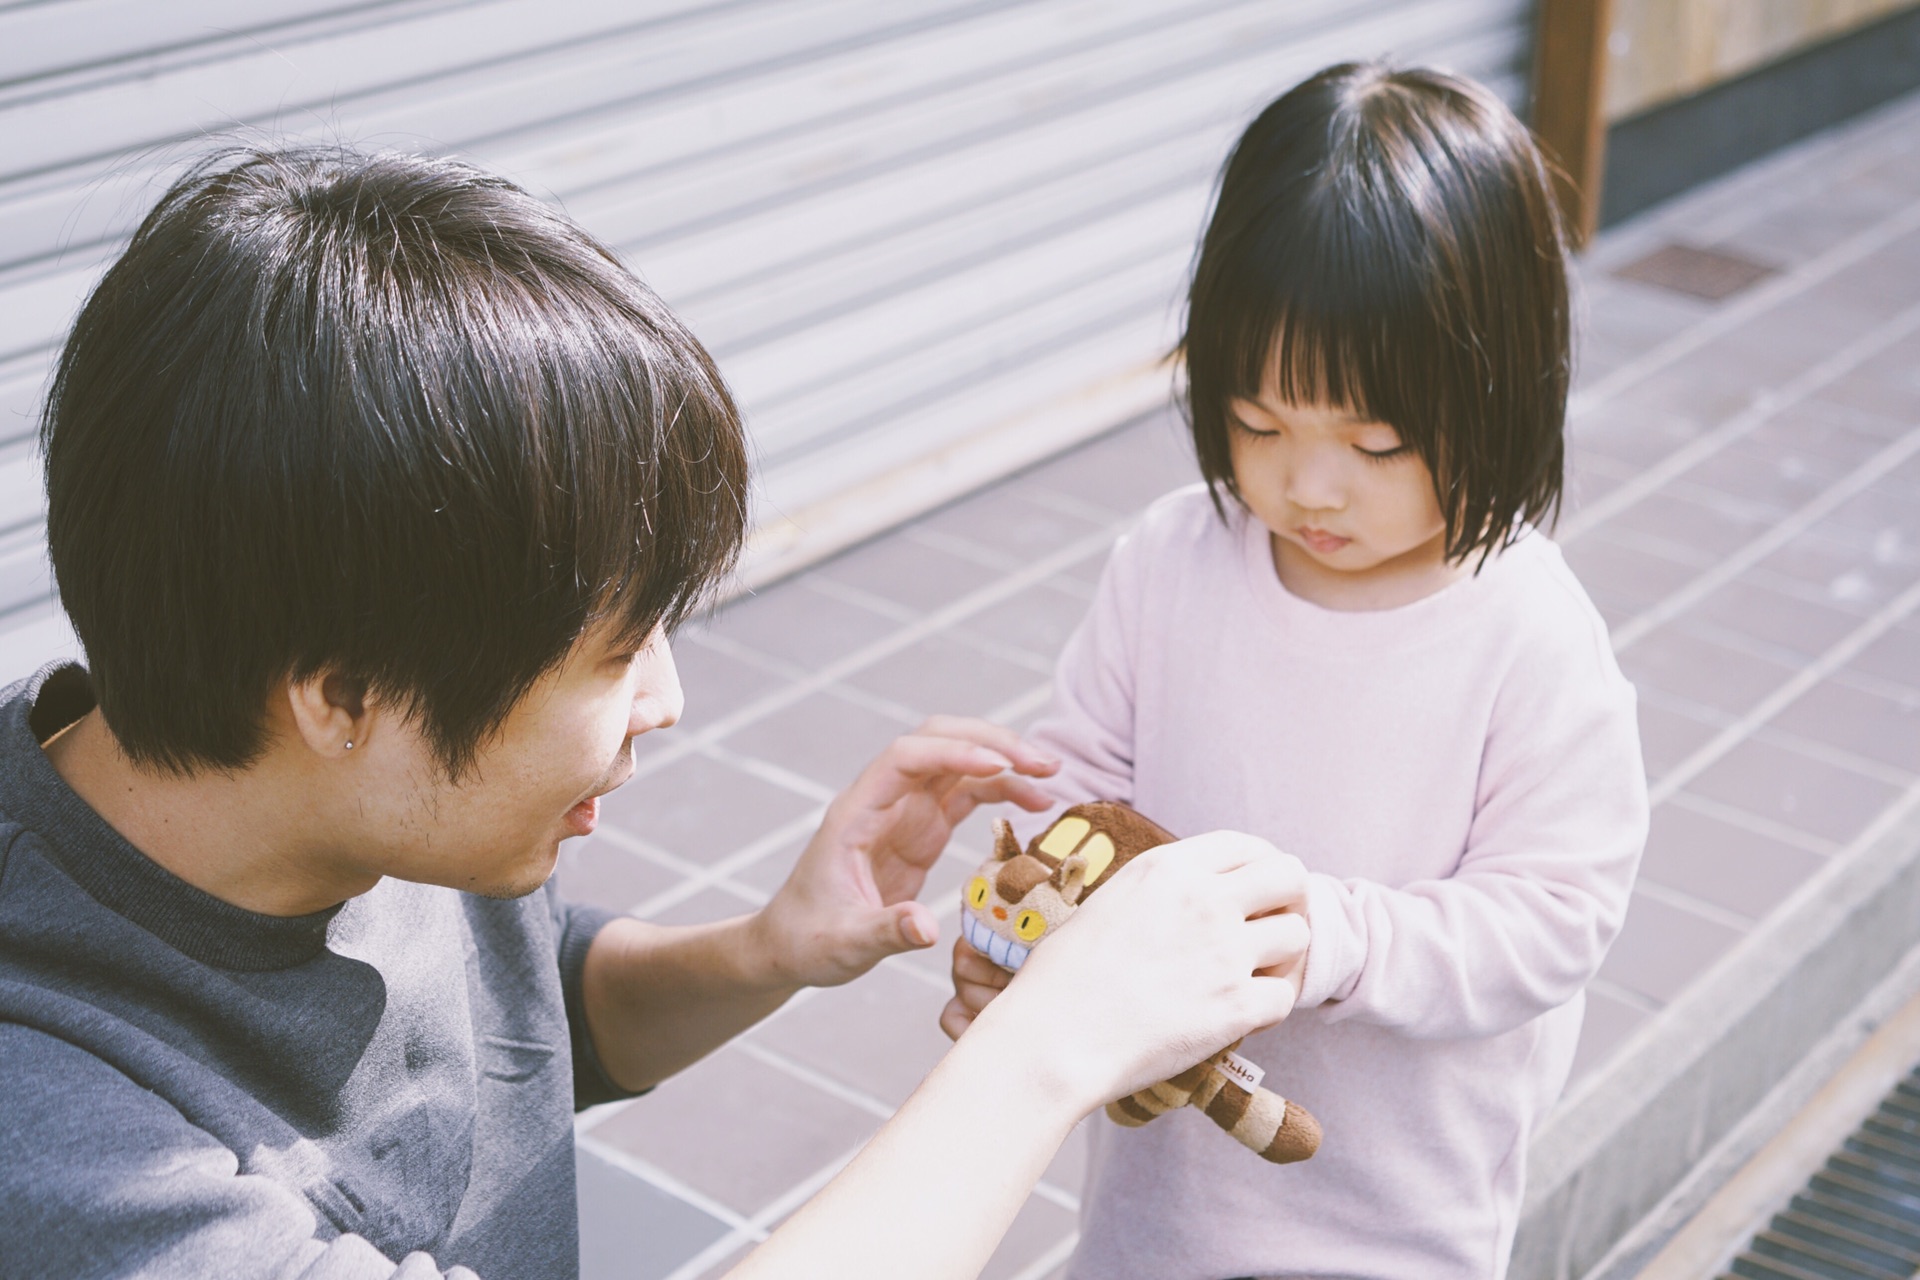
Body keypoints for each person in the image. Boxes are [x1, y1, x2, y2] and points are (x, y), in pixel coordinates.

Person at [0, 146, 1313, 1280]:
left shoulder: (331, 792)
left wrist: (769, 949)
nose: (668, 701)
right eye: (619, 649)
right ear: (345, 697)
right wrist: (1053, 1044)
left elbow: (502, 1028)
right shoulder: (72, 1157)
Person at [944, 62, 1650, 1279]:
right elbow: (1086, 782)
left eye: (1377, 442)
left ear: (1501, 394)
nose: (1306, 486)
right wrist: (1037, 924)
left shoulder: (1527, 631)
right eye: (1259, 423)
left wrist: (1332, 938)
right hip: (1159, 1194)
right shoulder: (1173, 559)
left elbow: (1553, 915)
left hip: (1391, 1213)